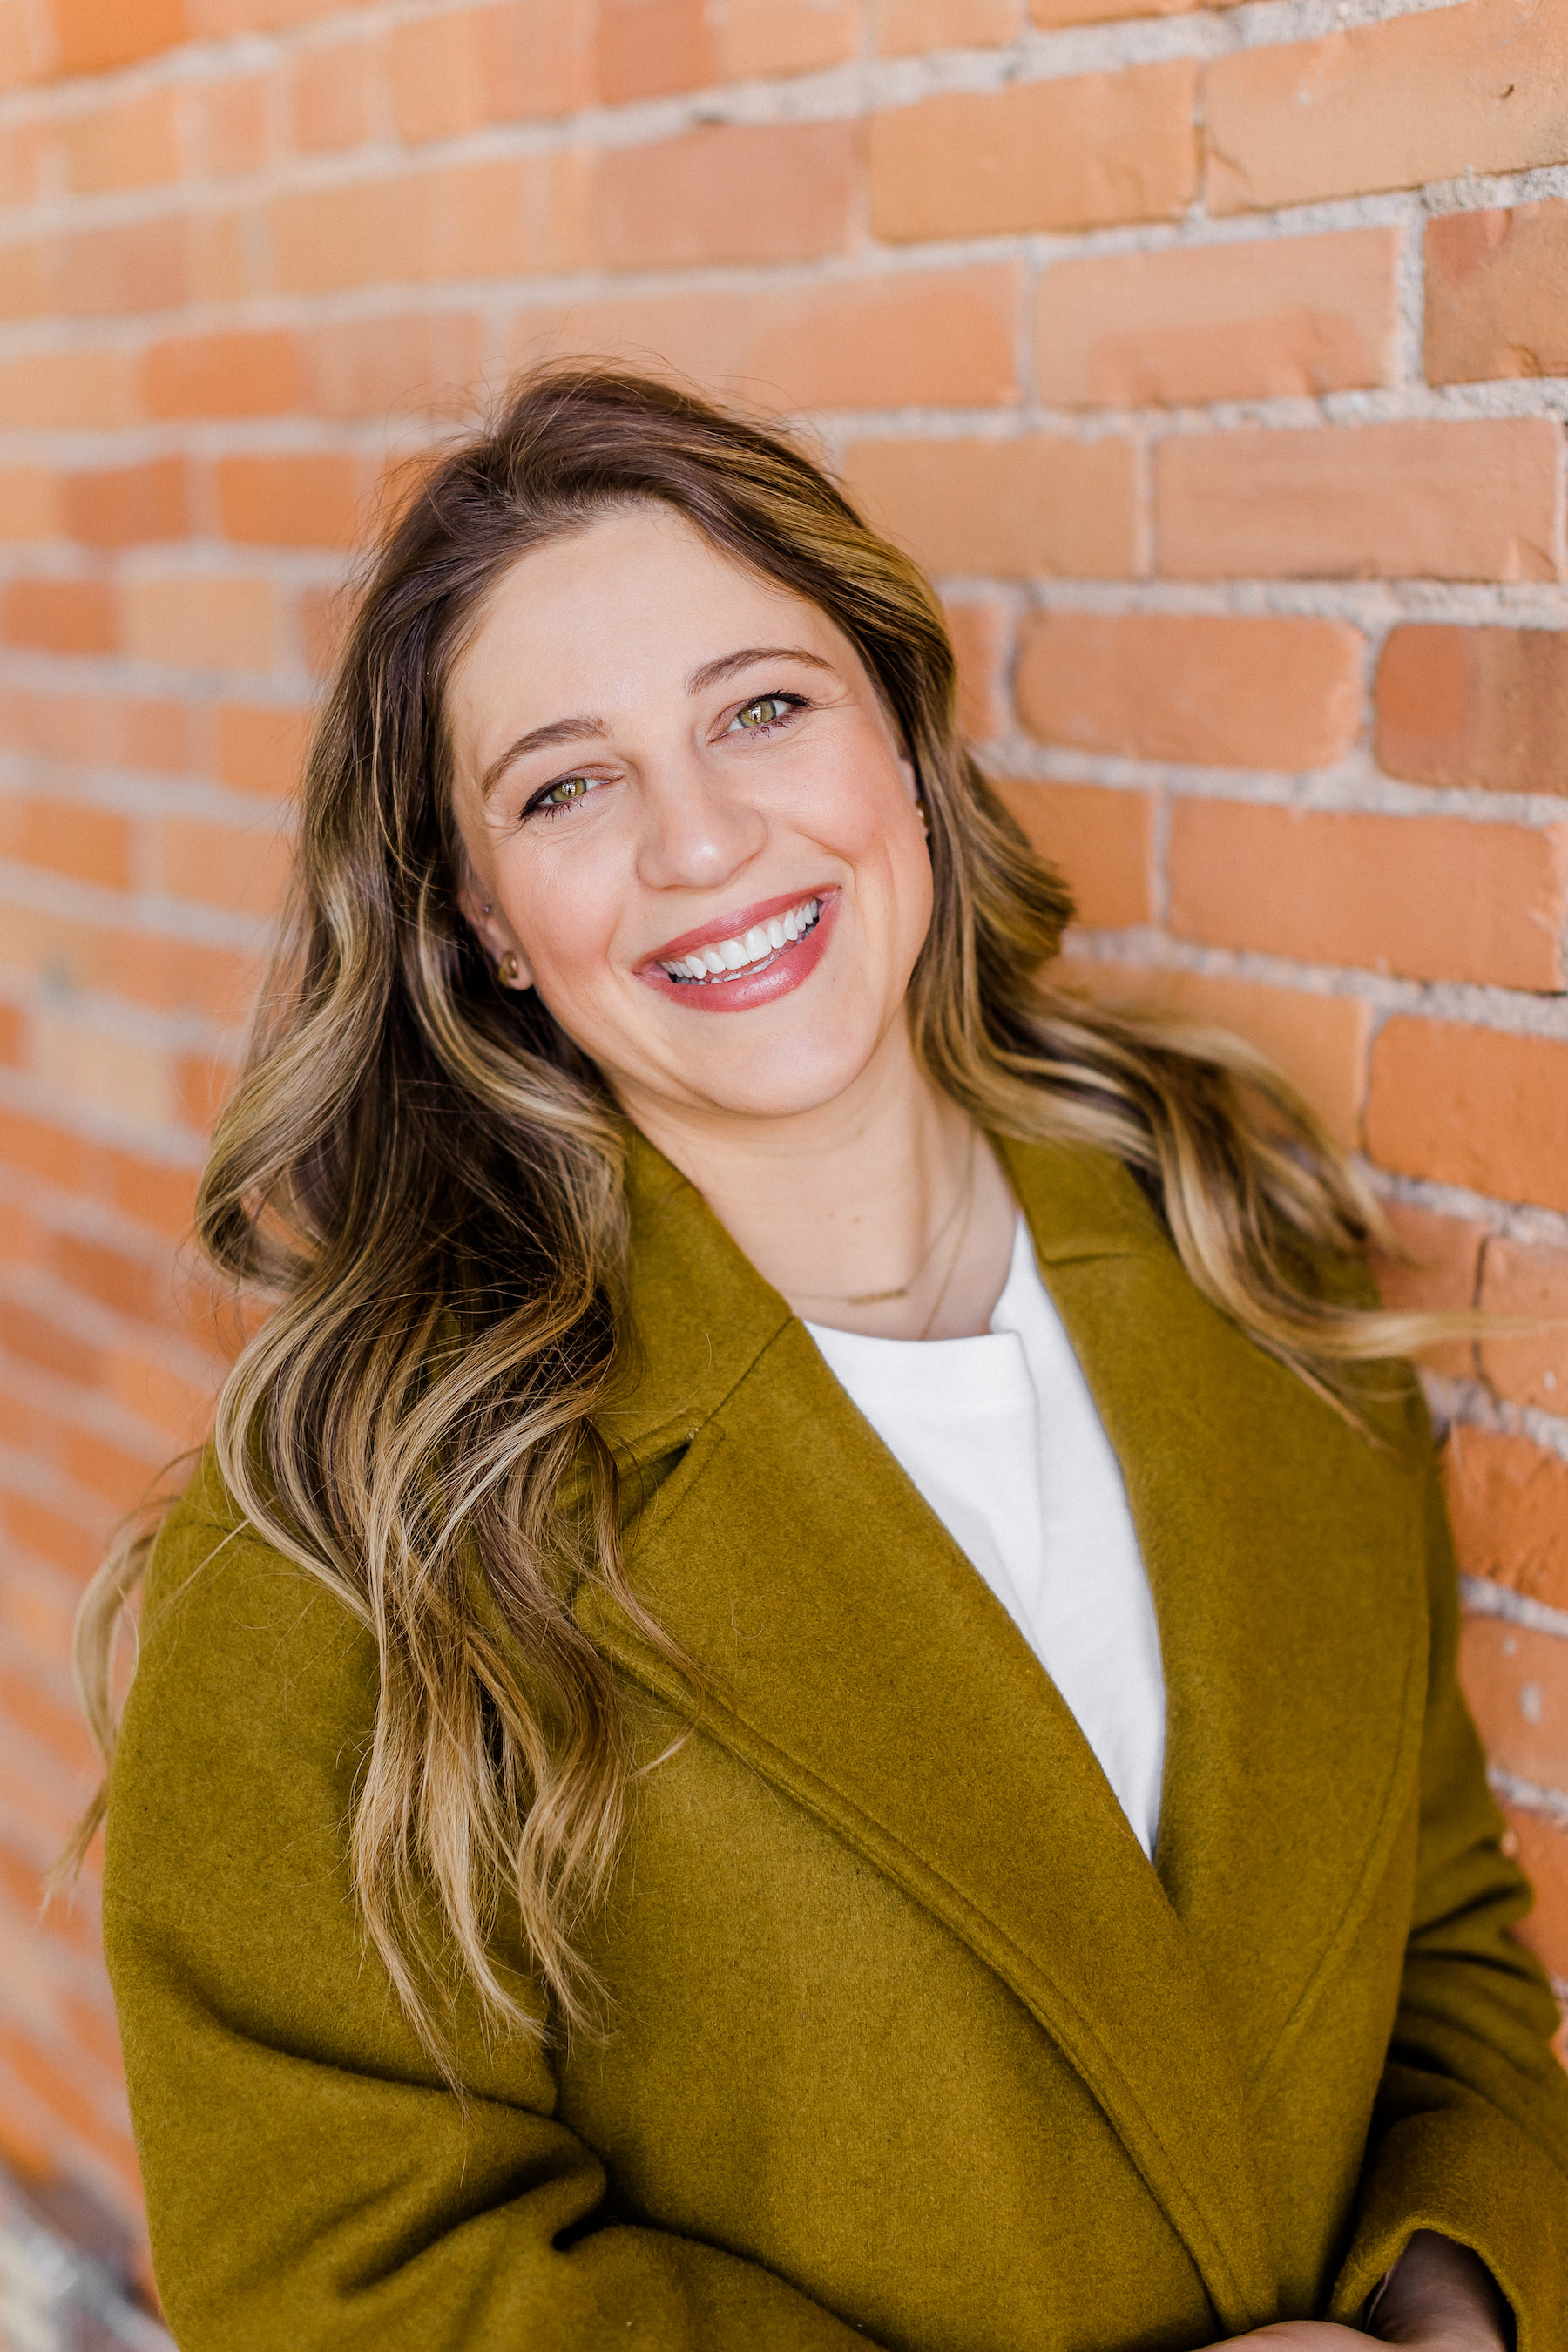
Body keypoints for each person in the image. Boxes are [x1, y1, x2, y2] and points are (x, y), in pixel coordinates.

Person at [77, 368, 1565, 2351]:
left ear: (904, 734)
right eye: (565, 785)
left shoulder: (1246, 1254)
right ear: (488, 924)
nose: (701, 841)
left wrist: (1446, 2314)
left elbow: (1445, 1942)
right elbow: (351, 2284)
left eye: (762, 708)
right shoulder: (359, 1529)